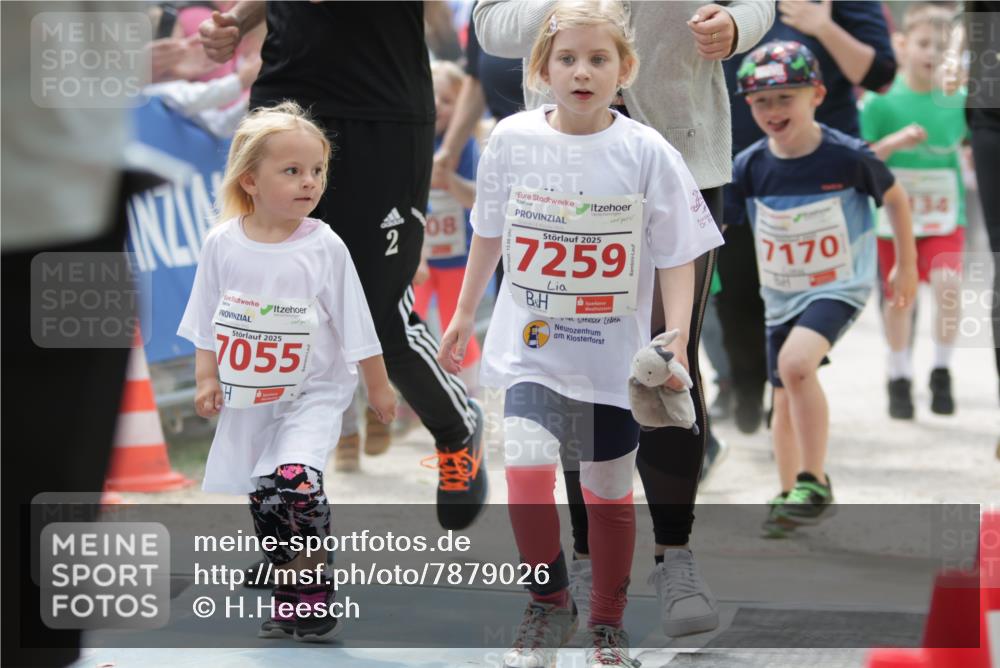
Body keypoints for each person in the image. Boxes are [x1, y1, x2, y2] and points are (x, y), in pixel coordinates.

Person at [474, 0, 773, 638]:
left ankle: (674, 556)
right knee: (567, 369)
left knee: (662, 373)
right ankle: (586, 564)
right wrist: (570, 12)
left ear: (621, 65)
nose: (582, 66)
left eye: (596, 59)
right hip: (559, 175)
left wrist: (738, 25)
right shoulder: (522, 128)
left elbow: (757, 5)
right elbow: (488, 24)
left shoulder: (654, 150)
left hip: (679, 156)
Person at [199, 1, 489, 531]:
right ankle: (288, 525)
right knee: (269, 315)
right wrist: (236, 23)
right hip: (285, 95)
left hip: (382, 107)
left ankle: (456, 427)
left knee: (378, 316)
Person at [177, 102, 398, 641]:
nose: (310, 182)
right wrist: (208, 378)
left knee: (297, 481)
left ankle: (314, 584)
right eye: (292, 171)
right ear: (250, 180)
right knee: (267, 496)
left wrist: (377, 384)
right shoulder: (222, 244)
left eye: (317, 170)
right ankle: (288, 590)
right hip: (251, 396)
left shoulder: (323, 245)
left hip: (313, 392)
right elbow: (206, 321)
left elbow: (356, 323)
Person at [726, 41, 918, 538]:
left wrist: (906, 266)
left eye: (785, 98)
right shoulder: (749, 166)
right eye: (761, 101)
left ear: (816, 94)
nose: (772, 111)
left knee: (795, 367)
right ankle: (791, 494)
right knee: (783, 396)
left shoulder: (846, 156)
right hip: (781, 295)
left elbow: (895, 199)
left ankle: (814, 481)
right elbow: (715, 226)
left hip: (838, 286)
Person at [718, 0, 898, 435]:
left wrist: (823, 26)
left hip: (820, 173)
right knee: (737, 295)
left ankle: (788, 390)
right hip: (736, 163)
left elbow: (880, 74)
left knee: (805, 299)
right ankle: (745, 382)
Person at [860, 3, 968, 419]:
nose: (933, 54)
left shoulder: (959, 100)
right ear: (903, 45)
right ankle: (899, 374)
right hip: (894, 217)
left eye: (943, 48)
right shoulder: (880, 103)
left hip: (944, 212)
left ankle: (941, 369)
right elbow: (863, 156)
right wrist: (895, 142)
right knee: (899, 297)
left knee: (949, 285)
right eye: (925, 44)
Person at [414, 60, 481, 389]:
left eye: (448, 100)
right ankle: (417, 387)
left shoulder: (465, 148)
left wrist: (447, 179)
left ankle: (467, 392)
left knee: (457, 327)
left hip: (458, 258)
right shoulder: (414, 140)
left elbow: (476, 199)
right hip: (421, 257)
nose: (437, 106)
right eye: (432, 97)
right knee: (411, 318)